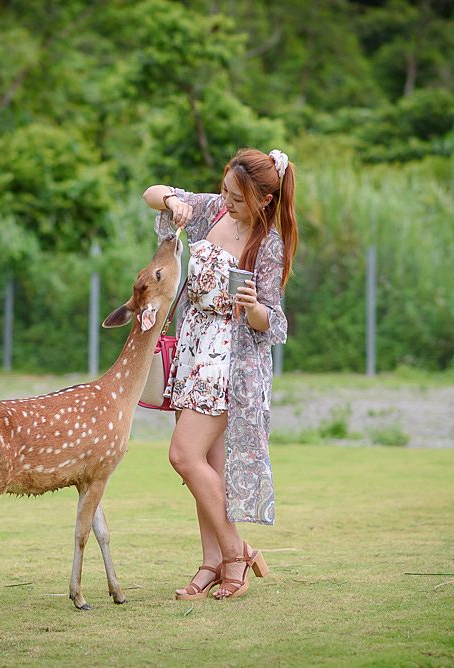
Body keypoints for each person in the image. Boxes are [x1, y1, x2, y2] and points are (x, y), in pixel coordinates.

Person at [142, 148, 298, 600]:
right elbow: (152, 193)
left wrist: (254, 310)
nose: (226, 201)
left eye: (236, 196)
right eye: (225, 190)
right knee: (208, 467)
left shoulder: (268, 244)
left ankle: (235, 552)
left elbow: (277, 322)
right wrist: (173, 203)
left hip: (230, 361)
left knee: (183, 455)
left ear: (264, 199)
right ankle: (212, 561)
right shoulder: (211, 209)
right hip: (192, 349)